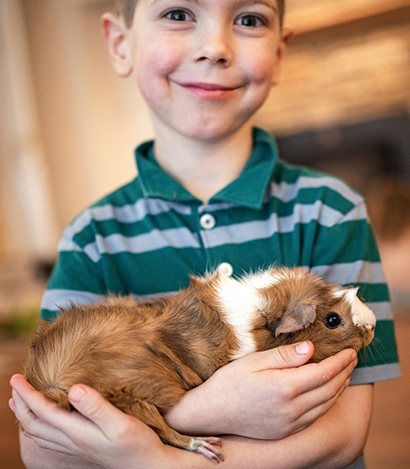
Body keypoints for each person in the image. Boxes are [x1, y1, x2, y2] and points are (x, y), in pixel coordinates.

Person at [9, 0, 401, 468]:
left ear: (279, 53)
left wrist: (159, 459)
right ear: (119, 43)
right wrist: (202, 412)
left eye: (249, 19)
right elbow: (42, 450)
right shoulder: (90, 238)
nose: (214, 48)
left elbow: (343, 436)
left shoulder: (332, 212)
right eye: (178, 13)